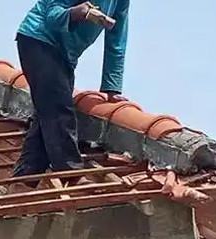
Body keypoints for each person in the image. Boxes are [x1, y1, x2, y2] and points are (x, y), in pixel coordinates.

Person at [12, 1, 129, 180]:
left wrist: (111, 87)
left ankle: (24, 178)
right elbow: (51, 14)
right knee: (59, 110)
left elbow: (116, 40)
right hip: (39, 40)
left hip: (65, 56)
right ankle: (71, 174)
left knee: (46, 115)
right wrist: (77, 12)